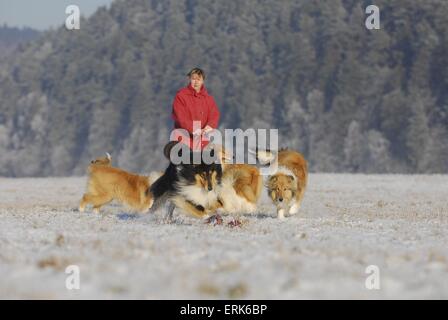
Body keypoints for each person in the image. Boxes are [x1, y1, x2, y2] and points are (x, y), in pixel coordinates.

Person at [171, 67, 220, 151]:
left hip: (203, 139)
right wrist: (194, 129)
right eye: (193, 79)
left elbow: (214, 114)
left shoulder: (208, 99)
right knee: (186, 161)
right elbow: (180, 117)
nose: (196, 82)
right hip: (184, 138)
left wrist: (209, 126)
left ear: (202, 81)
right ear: (190, 79)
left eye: (198, 79)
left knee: (210, 159)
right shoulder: (181, 96)